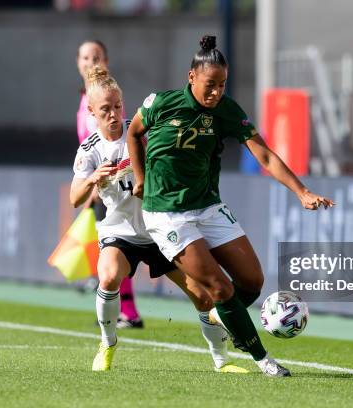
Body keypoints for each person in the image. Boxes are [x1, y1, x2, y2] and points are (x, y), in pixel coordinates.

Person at [127, 35, 334, 377]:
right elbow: (134, 133)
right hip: (166, 214)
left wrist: (301, 191)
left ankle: (224, 316)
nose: (216, 92)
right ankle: (263, 359)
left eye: (222, 85)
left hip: (207, 207)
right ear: (191, 77)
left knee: (252, 281)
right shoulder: (159, 104)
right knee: (220, 288)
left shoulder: (226, 111)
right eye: (210, 85)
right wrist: (140, 177)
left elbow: (264, 154)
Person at [70, 66, 246, 373]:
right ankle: (107, 343)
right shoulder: (90, 150)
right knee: (109, 276)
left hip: (160, 229)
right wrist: (92, 180)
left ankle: (222, 360)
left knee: (203, 296)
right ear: (91, 112)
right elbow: (74, 198)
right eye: (104, 110)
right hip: (121, 233)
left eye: (117, 107)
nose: (113, 114)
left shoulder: (140, 135)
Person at [76, 40, 142, 329]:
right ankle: (124, 310)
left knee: (119, 245)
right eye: (86, 57)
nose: (91, 62)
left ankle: (127, 312)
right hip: (97, 184)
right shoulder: (85, 99)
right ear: (78, 62)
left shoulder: (107, 100)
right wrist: (88, 181)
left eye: (97, 57)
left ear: (106, 60)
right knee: (112, 250)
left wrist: (95, 184)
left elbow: (115, 146)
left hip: (113, 186)